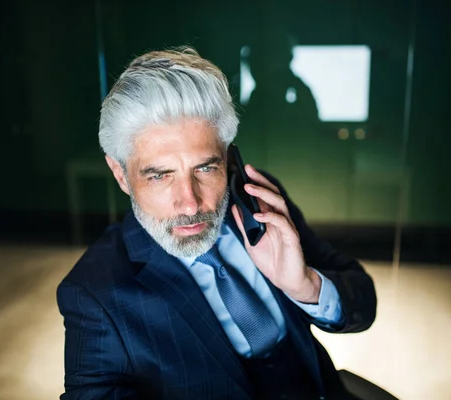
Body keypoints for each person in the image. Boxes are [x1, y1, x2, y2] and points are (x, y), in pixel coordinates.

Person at [57, 47, 377, 400]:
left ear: (228, 159)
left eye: (205, 168)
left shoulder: (259, 202)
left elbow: (364, 303)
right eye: (161, 176)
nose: (190, 203)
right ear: (120, 174)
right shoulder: (93, 292)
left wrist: (305, 286)